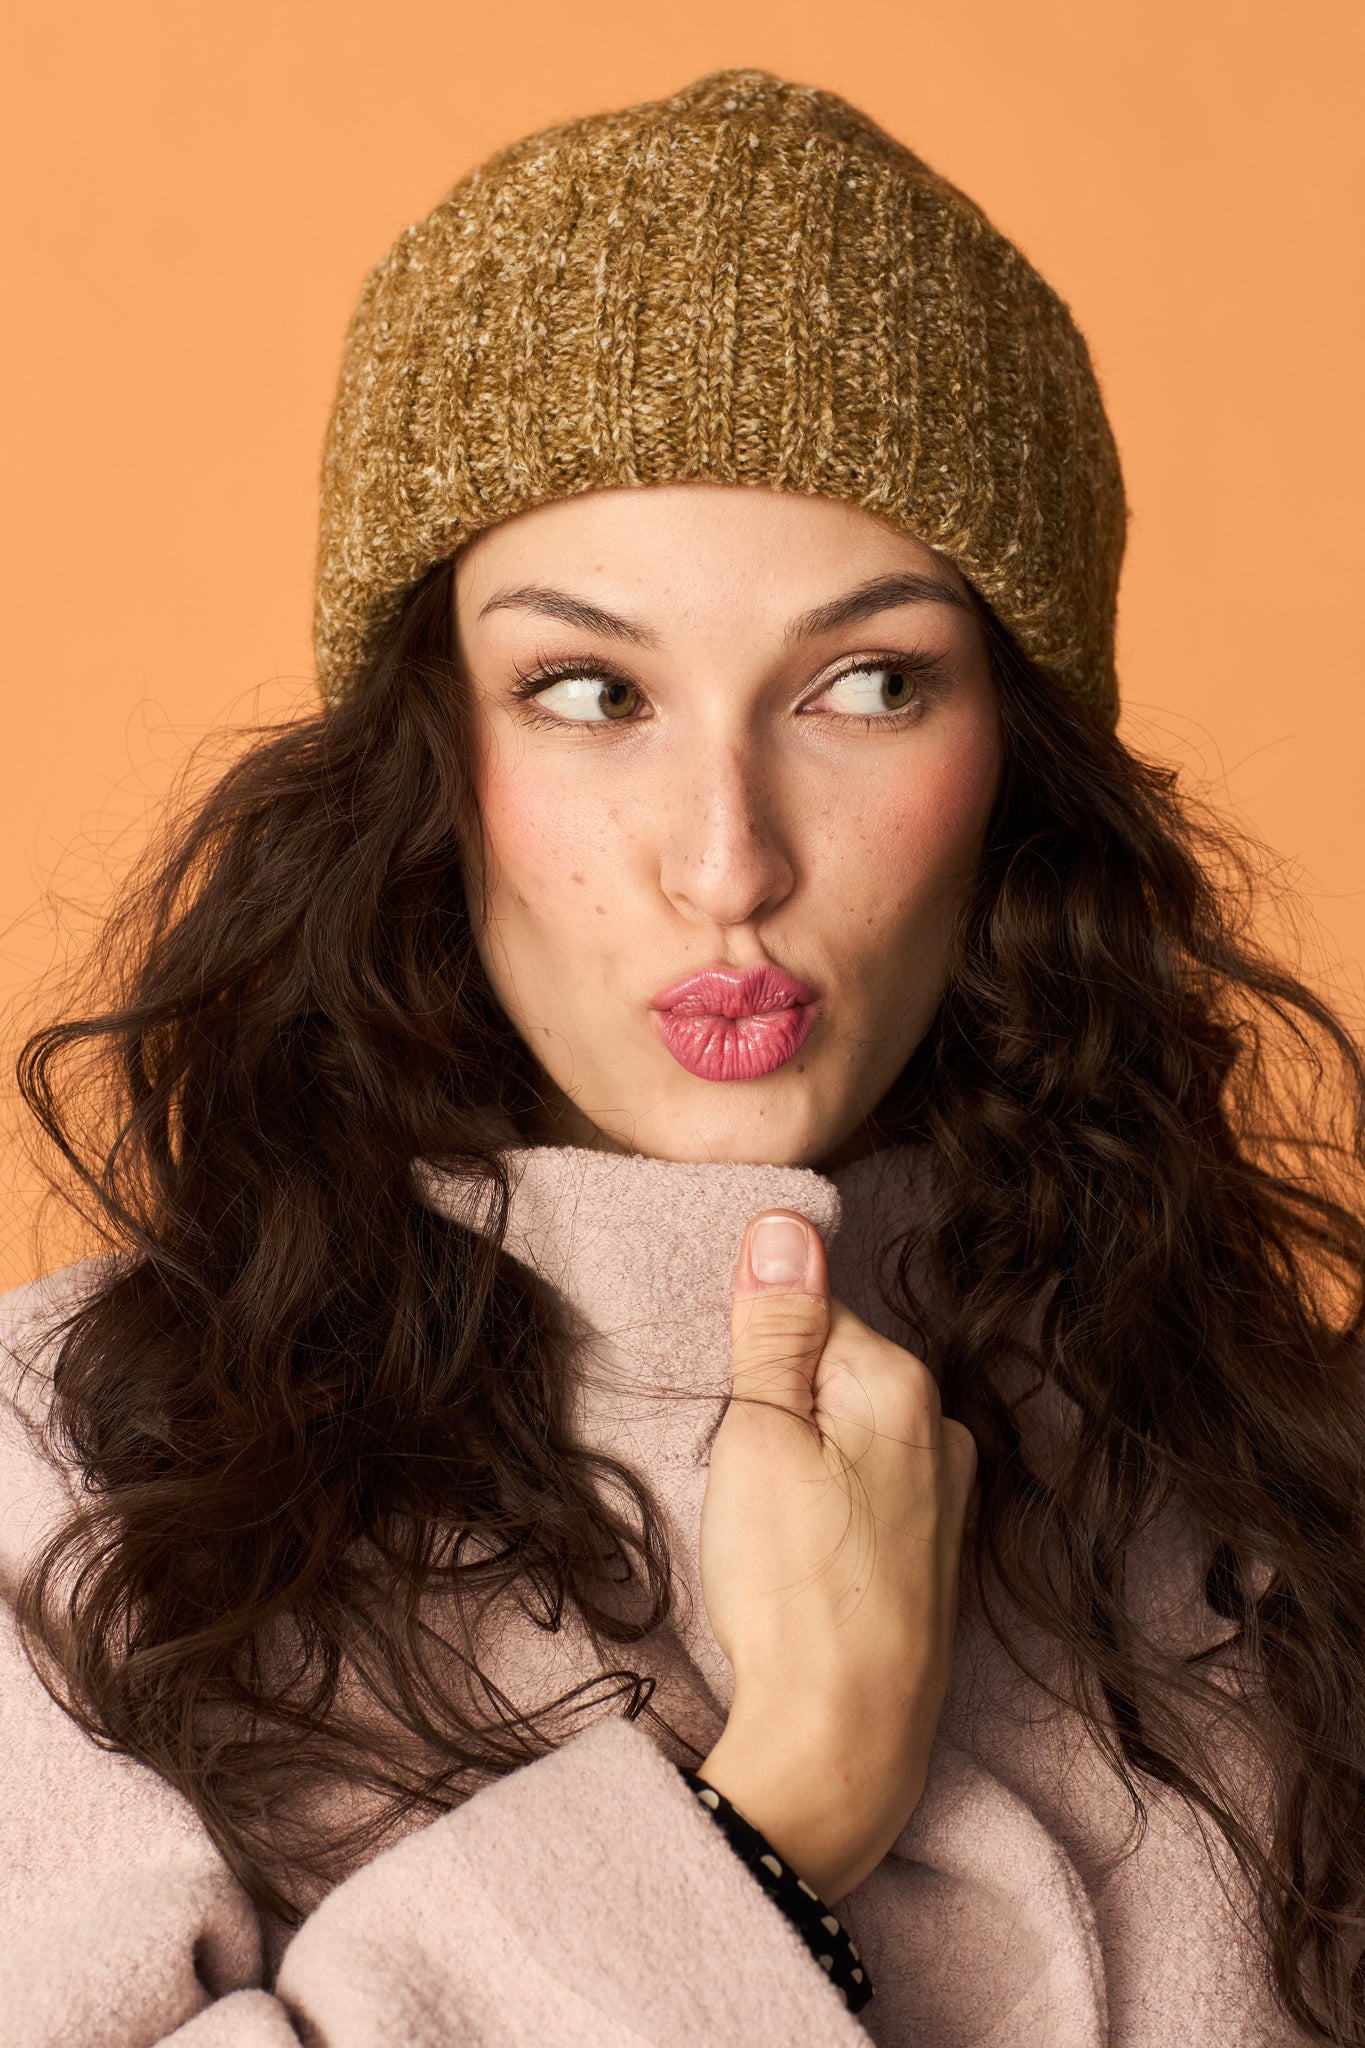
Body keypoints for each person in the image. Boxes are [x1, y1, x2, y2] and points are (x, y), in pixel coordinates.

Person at [3, 65, 1364, 2048]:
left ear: (1015, 756)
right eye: (587, 690)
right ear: (429, 764)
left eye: (865, 683)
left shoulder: (1292, 1513)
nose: (727, 856)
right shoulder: (68, 1490)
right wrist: (770, 1816)